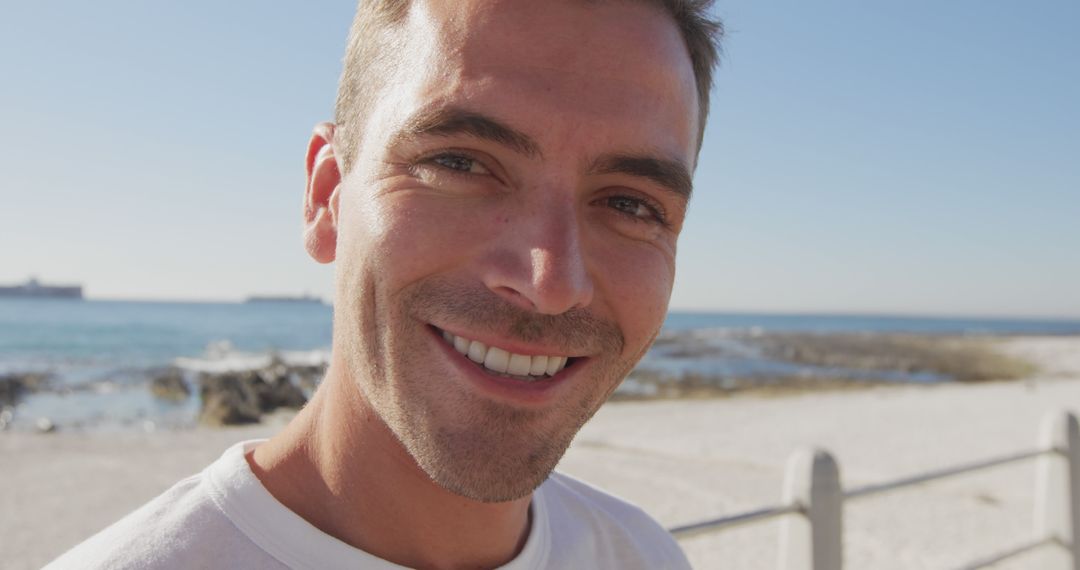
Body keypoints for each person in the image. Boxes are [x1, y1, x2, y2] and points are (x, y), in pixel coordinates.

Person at [48, 0, 721, 568]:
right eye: (459, 163)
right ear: (327, 195)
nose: (549, 283)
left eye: (632, 205)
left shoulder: (643, 555)